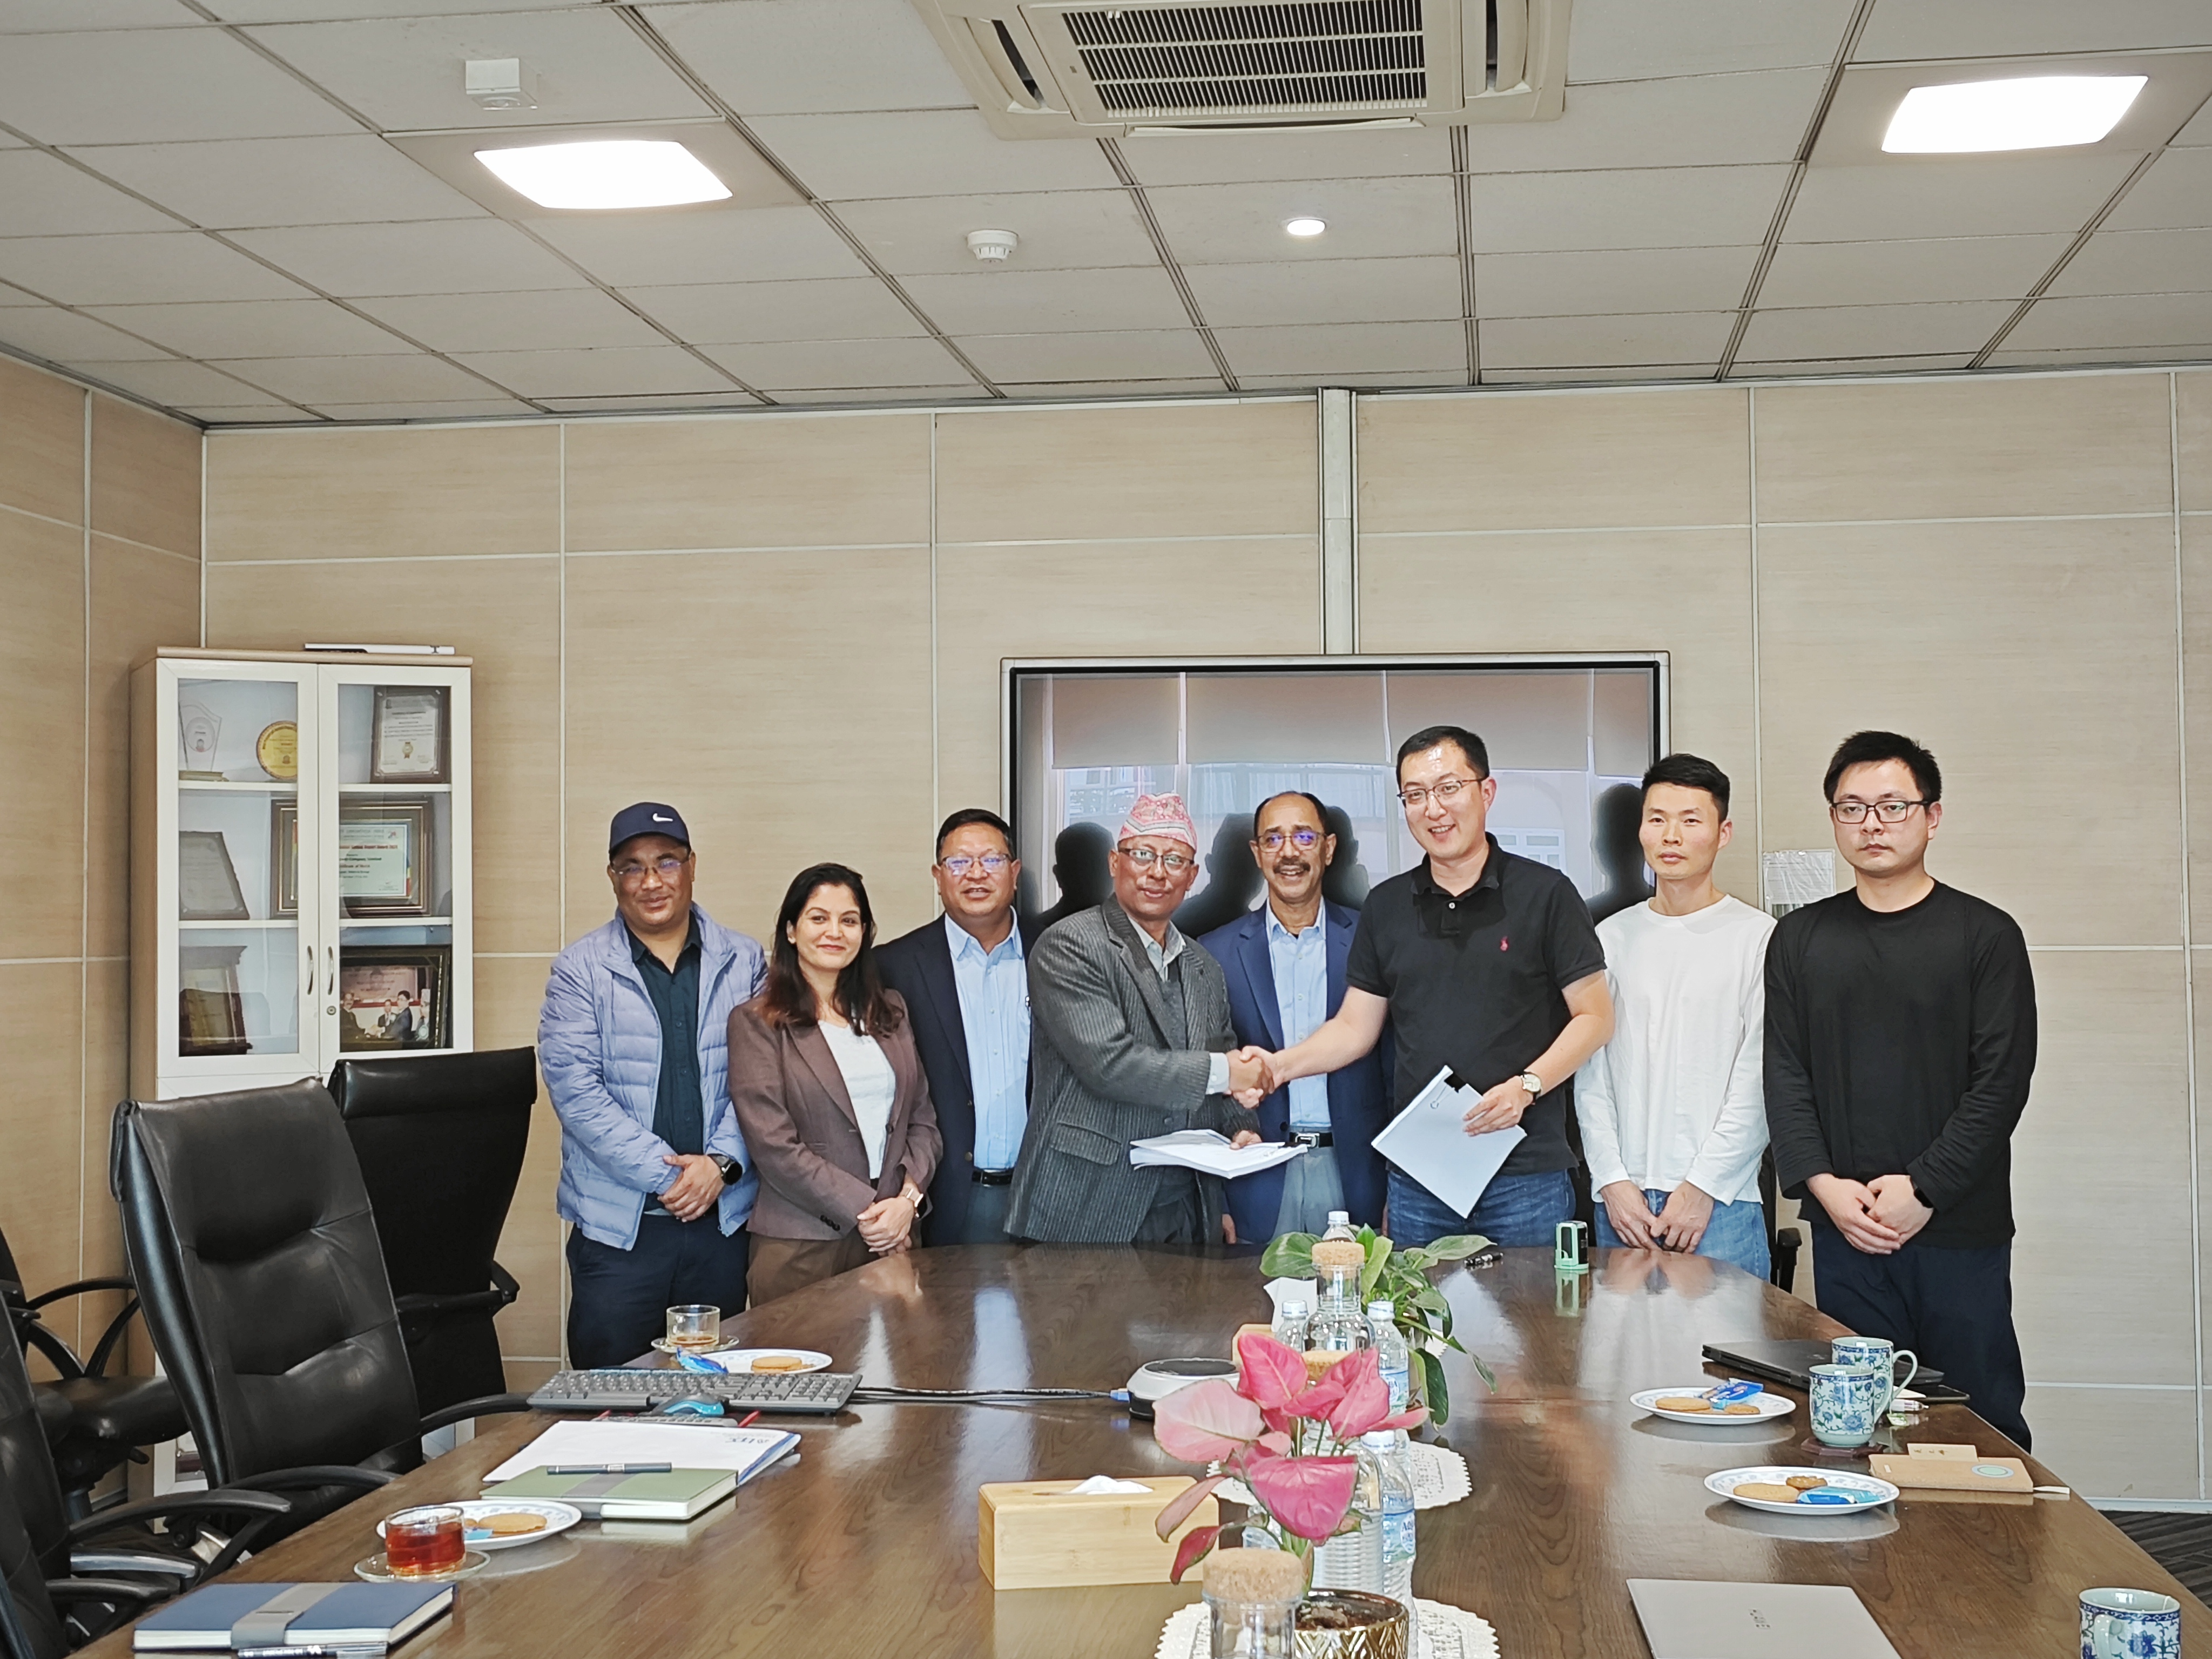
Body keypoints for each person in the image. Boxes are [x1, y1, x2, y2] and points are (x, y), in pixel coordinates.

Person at [1765, 731, 2036, 1449]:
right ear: (1834, 819)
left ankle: (1987, 1530)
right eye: (1851, 808)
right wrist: (1823, 1187)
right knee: (1858, 1425)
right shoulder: (1800, 940)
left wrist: (1923, 1189)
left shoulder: (1985, 935)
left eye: (1892, 806)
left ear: (1932, 816)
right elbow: (1784, 1072)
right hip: (1847, 1224)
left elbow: (2001, 1082)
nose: (1872, 824)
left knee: (1977, 1419)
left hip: (1957, 1224)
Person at [1253, 725, 1614, 1248]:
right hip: (1420, 1179)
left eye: (1448, 788)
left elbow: (1595, 1016)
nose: (1434, 809)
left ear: (1486, 792)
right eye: (1416, 795)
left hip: (1524, 1175)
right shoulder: (1386, 907)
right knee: (1416, 1304)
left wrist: (1527, 1087)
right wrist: (1277, 1067)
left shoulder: (1547, 895)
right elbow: (1355, 1027)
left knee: (1533, 1306)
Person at [539, 804, 763, 1368]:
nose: (651, 881)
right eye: (632, 867)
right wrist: (675, 1179)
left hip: (722, 1223)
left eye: (666, 862)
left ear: (692, 866)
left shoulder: (745, 961)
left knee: (712, 1391)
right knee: (610, 1397)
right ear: (613, 877)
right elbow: (575, 1091)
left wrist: (720, 1166)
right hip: (621, 1233)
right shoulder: (579, 969)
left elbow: (764, 1079)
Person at [1004, 792, 1265, 1245]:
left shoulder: (1204, 966)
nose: (1157, 872)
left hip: (1185, 1203)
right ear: (1114, 862)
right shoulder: (1070, 945)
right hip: (1087, 1202)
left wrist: (1242, 1127)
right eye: (1143, 855)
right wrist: (1228, 1072)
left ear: (1192, 876)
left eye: (1174, 860)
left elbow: (1222, 1060)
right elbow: (1110, 1064)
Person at [1576, 754, 1775, 1277]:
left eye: (1690, 820)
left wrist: (1703, 1186)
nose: (1671, 836)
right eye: (1657, 819)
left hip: (1721, 1203)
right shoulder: (1609, 938)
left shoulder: (1758, 938)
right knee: (1620, 1336)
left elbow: (1760, 1077)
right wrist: (1610, 1180)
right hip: (1622, 1205)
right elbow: (1591, 1073)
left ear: (1723, 832)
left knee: (1728, 1335)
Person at [729, 864, 942, 1306]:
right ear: (791, 930)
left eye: (849, 920)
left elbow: (923, 1120)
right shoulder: (757, 1022)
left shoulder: (891, 1011)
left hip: (894, 1237)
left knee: (896, 1353)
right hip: (802, 1247)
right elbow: (774, 1146)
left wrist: (906, 1201)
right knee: (802, 1354)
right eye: (818, 918)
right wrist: (870, 1211)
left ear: (865, 932)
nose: (835, 932)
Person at [1201, 791, 1391, 1242]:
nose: (1288, 852)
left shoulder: (1373, 941)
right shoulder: (1215, 953)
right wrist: (1216, 1200)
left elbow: (1398, 1065)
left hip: (1357, 1176)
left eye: (1304, 836)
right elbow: (1206, 1078)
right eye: (1273, 839)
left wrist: (1399, 1188)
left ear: (1329, 848)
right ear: (1257, 853)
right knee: (1250, 1290)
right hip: (1254, 1176)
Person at [876, 808, 1041, 1245]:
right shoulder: (895, 966)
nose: (976, 874)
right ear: (938, 876)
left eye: (992, 860)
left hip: (1046, 1193)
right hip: (943, 1199)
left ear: (1015, 872)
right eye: (959, 862)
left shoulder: (1056, 951)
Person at [1173, 815, 1264, 937]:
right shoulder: (1173, 926)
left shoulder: (1175, 920)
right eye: (1234, 865)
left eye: (1252, 867)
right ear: (1210, 864)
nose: (1242, 877)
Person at [1035, 821, 1113, 930]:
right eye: (1083, 869)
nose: (1090, 881)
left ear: (1058, 875)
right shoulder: (1126, 927)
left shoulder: (1034, 931)